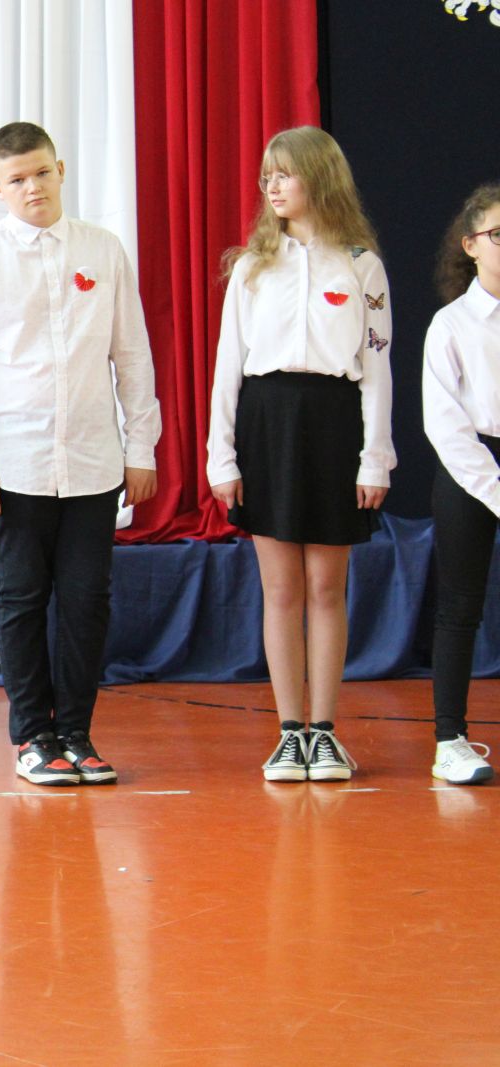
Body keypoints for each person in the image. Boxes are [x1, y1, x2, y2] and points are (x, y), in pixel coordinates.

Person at [0, 121, 160, 785]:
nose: (32, 187)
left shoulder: (103, 249)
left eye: (41, 172)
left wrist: (141, 445)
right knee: (22, 597)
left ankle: (78, 734)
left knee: (88, 599)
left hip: (93, 460)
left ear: (61, 170)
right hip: (13, 463)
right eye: (17, 179)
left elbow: (132, 354)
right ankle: (33, 735)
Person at [207, 126, 394, 783]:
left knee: (326, 587)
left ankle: (325, 732)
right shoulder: (252, 267)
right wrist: (221, 457)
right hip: (267, 423)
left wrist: (375, 456)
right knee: (281, 588)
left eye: (284, 173)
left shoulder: (362, 265)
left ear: (320, 177)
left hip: (335, 424)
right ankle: (290, 732)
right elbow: (228, 366)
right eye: (267, 176)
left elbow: (377, 367)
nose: (272, 186)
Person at [422, 181, 500, 785]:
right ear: (470, 245)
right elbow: (444, 423)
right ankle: (450, 740)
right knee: (459, 606)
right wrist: (494, 488)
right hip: (469, 468)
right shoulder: (451, 324)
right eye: (499, 234)